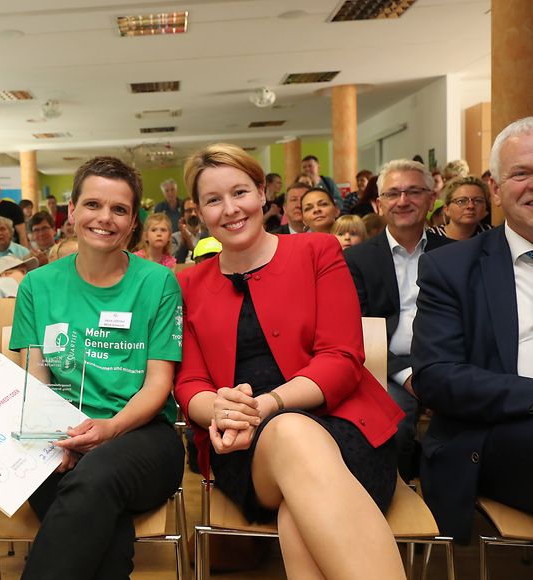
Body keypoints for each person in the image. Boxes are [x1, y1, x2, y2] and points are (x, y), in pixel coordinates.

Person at [176, 143, 405, 579]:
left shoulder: (317, 251)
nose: (230, 209)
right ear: (199, 212)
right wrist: (223, 412)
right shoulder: (187, 283)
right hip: (242, 447)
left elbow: (341, 358)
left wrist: (267, 405)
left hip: (346, 430)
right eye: (213, 200)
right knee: (290, 435)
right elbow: (189, 385)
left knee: (298, 519)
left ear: (263, 193)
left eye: (240, 192)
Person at [9, 156, 185, 580]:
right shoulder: (37, 285)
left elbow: (158, 385)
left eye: (119, 209)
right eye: (92, 204)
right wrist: (54, 439)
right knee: (101, 523)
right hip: (58, 442)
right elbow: (36, 379)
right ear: (71, 211)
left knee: (97, 476)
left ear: (132, 222)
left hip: (143, 437)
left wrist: (111, 429)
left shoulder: (158, 283)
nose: (104, 218)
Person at [412, 117, 533, 545]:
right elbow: (436, 376)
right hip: (497, 433)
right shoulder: (451, 268)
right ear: (496, 190)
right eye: (521, 174)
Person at [344, 159, 453, 481]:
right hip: (387, 366)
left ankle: (446, 508)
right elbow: (358, 328)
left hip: (447, 361)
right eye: (393, 194)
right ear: (378, 204)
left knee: (466, 426)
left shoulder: (456, 253)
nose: (403, 201)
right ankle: (399, 499)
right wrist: (406, 375)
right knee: (395, 423)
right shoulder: (356, 259)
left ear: (432, 199)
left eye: (413, 192)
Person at [172, 198, 207, 263]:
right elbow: (175, 263)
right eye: (189, 211)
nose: (193, 214)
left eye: (196, 210)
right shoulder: (174, 238)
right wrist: (184, 241)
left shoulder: (210, 236)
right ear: (183, 215)